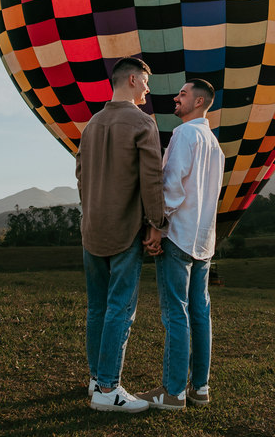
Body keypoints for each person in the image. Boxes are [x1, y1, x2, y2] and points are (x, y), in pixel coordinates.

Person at [76, 56, 165, 413]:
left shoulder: (92, 125)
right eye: (145, 81)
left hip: (91, 228)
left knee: (97, 307)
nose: (148, 88)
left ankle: (97, 379)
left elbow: (81, 174)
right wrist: (157, 221)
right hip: (125, 229)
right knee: (120, 309)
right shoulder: (143, 123)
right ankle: (109, 389)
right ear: (131, 79)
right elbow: (152, 177)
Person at [139, 78, 224, 411]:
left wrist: (158, 225)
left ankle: (173, 392)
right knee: (200, 313)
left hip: (178, 236)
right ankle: (199, 388)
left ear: (200, 102)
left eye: (183, 94)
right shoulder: (214, 144)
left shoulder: (185, 134)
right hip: (203, 239)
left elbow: (171, 186)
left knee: (176, 312)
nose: (176, 97)